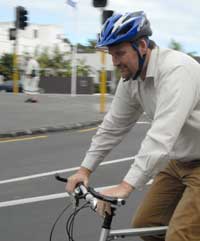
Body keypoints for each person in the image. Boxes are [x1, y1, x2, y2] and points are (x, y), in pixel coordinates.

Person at [66, 11, 200, 241]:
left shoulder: (177, 70)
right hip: (180, 162)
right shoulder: (131, 80)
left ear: (142, 45)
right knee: (146, 225)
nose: (115, 62)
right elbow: (113, 127)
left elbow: (161, 136)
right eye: (111, 54)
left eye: (120, 53)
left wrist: (125, 186)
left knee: (181, 235)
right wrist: (84, 170)